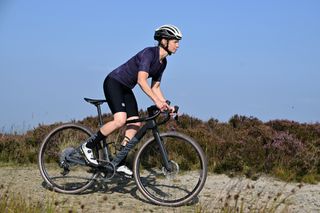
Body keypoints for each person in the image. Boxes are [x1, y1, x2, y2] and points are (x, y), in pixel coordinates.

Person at [80, 24, 182, 176]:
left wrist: (166, 104)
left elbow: (155, 87)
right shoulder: (149, 53)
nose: (178, 45)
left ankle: (118, 162)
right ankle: (87, 146)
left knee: (136, 123)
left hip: (126, 88)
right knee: (120, 120)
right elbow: (141, 80)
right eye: (175, 41)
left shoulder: (163, 63)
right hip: (113, 82)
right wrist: (157, 102)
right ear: (164, 40)